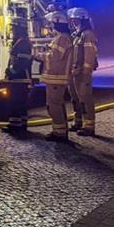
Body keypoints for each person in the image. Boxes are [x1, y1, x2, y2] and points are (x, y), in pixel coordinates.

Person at [35, 10, 73, 142]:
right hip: (56, 77)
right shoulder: (63, 37)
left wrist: (38, 55)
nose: (50, 26)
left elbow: (54, 57)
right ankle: (60, 131)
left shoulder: (62, 38)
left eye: (51, 23)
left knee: (54, 105)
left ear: (57, 23)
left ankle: (59, 133)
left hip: (56, 77)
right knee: (56, 104)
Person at [68, 7, 98, 136]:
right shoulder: (77, 34)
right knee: (76, 98)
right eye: (72, 20)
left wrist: (86, 71)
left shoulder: (88, 34)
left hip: (82, 73)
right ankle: (78, 121)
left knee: (85, 99)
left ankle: (89, 126)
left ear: (82, 20)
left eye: (75, 20)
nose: (73, 22)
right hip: (75, 72)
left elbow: (89, 55)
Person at [5, 16, 33, 133]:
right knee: (19, 102)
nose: (13, 30)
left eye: (14, 28)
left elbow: (21, 62)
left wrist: (11, 72)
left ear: (20, 29)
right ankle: (20, 124)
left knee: (16, 102)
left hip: (20, 78)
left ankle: (16, 126)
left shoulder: (23, 43)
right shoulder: (20, 42)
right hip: (18, 78)